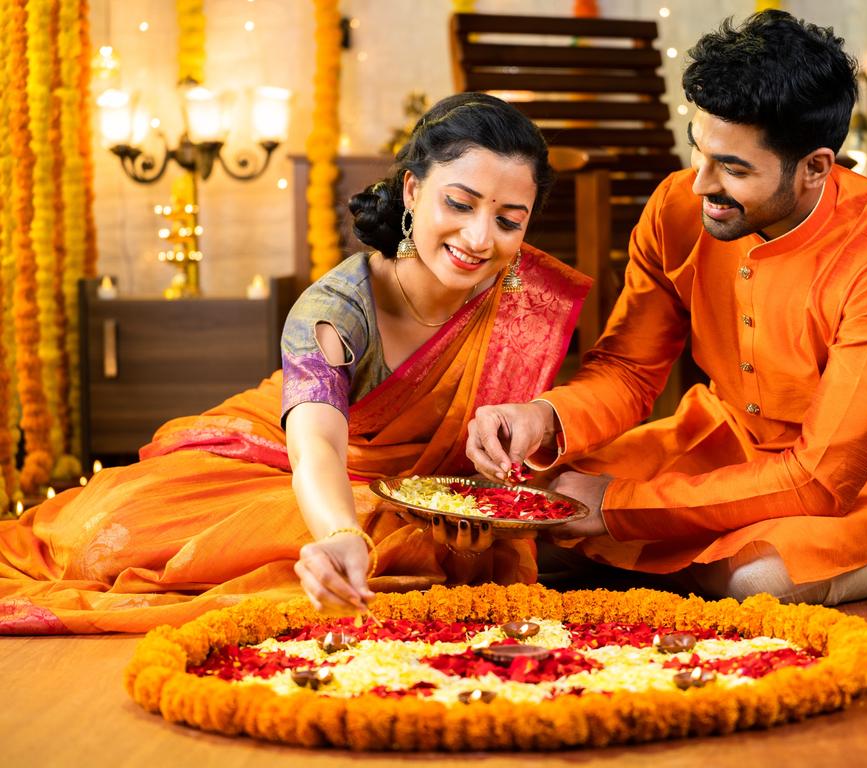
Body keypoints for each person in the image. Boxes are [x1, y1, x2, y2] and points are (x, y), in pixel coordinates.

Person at [467, 11, 867, 606]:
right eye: (701, 152)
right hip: (721, 444)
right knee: (515, 513)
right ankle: (661, 558)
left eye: (733, 168)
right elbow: (629, 369)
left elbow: (820, 478)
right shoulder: (680, 207)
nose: (702, 184)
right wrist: (544, 417)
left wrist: (618, 507)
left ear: (815, 168)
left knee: (753, 579)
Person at [0, 92, 590, 633]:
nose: (480, 238)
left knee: (434, 532)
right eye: (459, 204)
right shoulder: (335, 310)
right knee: (109, 537)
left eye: (510, 219)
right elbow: (318, 449)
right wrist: (338, 533)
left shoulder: (527, 298)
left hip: (423, 492)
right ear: (412, 190)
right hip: (286, 462)